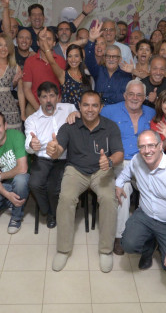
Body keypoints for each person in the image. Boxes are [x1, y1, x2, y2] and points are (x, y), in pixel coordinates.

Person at [47, 91, 123, 273]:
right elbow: (58, 149)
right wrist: (53, 149)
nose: (90, 109)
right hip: (76, 170)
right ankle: (63, 250)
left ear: (101, 107)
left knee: (108, 199)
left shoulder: (110, 126)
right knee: (65, 198)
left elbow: (119, 153)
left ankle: (105, 250)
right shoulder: (69, 126)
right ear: (79, 106)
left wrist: (110, 161)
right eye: (86, 105)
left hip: (101, 171)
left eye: (94, 105)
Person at [117, 130, 166, 275]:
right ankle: (148, 247)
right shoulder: (137, 160)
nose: (146, 151)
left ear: (160, 146)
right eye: (142, 146)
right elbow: (125, 174)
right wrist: (118, 184)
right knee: (128, 245)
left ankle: (161, 242)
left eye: (151, 145)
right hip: (145, 215)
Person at [100, 79, 155, 256]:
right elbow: (90, 118)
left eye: (139, 95)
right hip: (120, 161)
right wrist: (74, 115)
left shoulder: (152, 113)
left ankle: (146, 233)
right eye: (131, 94)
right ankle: (120, 236)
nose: (135, 98)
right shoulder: (110, 110)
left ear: (145, 97)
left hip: (144, 162)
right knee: (123, 188)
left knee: (152, 189)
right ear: (125, 95)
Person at [25, 82, 76, 228]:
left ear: (58, 97)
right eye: (44, 97)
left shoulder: (68, 109)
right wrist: (31, 144)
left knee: (53, 188)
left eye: (52, 96)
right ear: (39, 99)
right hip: (43, 159)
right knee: (34, 184)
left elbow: (83, 119)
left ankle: (53, 215)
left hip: (64, 158)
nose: (48, 100)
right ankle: (47, 211)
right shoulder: (32, 120)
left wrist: (77, 113)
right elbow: (29, 141)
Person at [85, 21, 132, 105]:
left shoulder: (126, 75)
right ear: (104, 57)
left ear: (120, 59)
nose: (111, 59)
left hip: (117, 112)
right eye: (108, 56)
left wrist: (104, 98)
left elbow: (123, 97)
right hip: (99, 112)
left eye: (114, 57)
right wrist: (91, 40)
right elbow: (89, 58)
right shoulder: (98, 71)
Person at [22, 28, 66, 117]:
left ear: (54, 43)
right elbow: (26, 89)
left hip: (56, 106)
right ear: (38, 43)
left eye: (48, 39)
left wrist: (56, 106)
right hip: (34, 106)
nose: (45, 42)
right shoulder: (30, 61)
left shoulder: (61, 61)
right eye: (42, 39)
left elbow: (64, 87)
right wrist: (39, 109)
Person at [41, 41, 90, 110]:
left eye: (76, 56)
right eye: (70, 56)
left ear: (81, 59)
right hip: (67, 116)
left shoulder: (87, 77)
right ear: (67, 59)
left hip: (84, 115)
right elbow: (52, 62)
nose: (73, 59)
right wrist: (44, 41)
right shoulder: (63, 75)